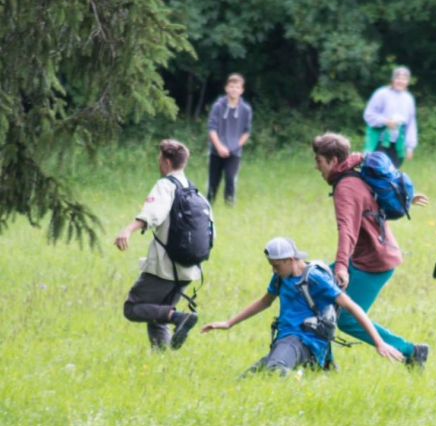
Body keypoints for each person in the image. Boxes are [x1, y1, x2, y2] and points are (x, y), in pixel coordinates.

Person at [201, 237, 404, 376]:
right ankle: (311, 373)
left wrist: (379, 342)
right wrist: (229, 323)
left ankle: (298, 379)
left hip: (302, 339)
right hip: (285, 339)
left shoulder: (314, 278)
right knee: (248, 380)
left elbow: (352, 306)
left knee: (275, 370)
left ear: (290, 260)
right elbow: (265, 301)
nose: (274, 270)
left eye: (276, 266)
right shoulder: (280, 277)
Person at [312, 132, 430, 367]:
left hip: (373, 263)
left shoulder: (346, 186)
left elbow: (347, 229)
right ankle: (323, 363)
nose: (316, 167)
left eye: (319, 160)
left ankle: (411, 351)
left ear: (333, 160)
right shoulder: (355, 173)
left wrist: (341, 266)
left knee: (347, 319)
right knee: (314, 292)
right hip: (366, 256)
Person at [114, 140, 212, 350]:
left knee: (132, 308)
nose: (158, 162)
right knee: (158, 314)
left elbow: (153, 214)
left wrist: (128, 229)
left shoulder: (165, 186)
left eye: (159, 159)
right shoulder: (198, 194)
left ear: (166, 162)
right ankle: (163, 359)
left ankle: (180, 318)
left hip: (164, 267)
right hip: (190, 268)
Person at [207, 73, 252, 205]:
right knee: (213, 181)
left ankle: (229, 206)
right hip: (216, 151)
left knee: (230, 178)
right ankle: (208, 206)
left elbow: (246, 132)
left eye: (237, 87)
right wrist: (219, 147)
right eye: (231, 87)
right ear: (226, 88)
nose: (234, 90)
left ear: (242, 90)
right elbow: (212, 129)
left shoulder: (246, 109)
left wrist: (236, 146)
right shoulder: (218, 107)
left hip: (234, 152)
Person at [363, 66, 417, 168]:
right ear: (393, 79)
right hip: (380, 140)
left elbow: (411, 124)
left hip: (398, 143)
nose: (400, 81)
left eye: (404, 79)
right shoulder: (382, 94)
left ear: (407, 82)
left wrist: (410, 147)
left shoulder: (409, 99)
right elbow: (369, 114)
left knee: (392, 172)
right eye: (398, 78)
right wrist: (385, 121)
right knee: (376, 169)